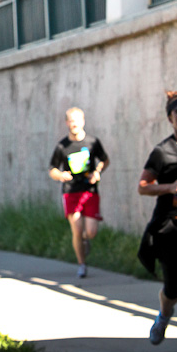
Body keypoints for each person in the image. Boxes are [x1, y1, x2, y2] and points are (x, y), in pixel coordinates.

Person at [138, 90, 177, 345]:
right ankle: (164, 316)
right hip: (171, 228)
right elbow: (143, 186)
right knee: (174, 287)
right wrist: (169, 187)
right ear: (170, 118)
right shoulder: (162, 151)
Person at [49, 107, 109, 278]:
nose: (74, 123)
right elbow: (52, 169)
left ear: (83, 121)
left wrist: (97, 172)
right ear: (67, 123)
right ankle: (82, 264)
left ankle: (84, 240)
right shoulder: (62, 146)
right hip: (70, 191)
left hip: (89, 190)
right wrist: (60, 175)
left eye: (77, 120)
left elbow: (105, 160)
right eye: (71, 120)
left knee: (90, 231)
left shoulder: (92, 142)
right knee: (76, 228)